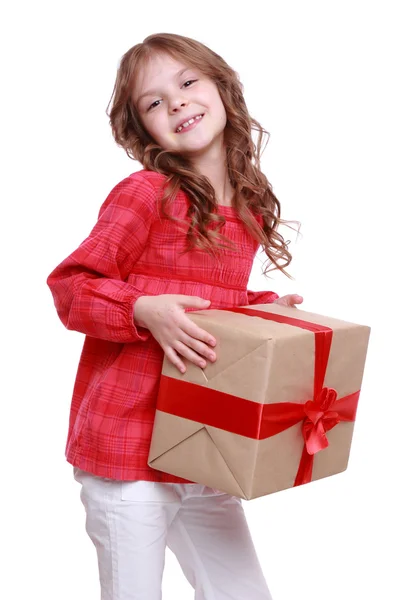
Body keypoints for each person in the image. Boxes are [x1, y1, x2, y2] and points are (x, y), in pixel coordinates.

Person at [46, 32, 303, 600]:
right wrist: (140, 309)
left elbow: (210, 301)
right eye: (154, 102)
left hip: (201, 447)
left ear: (222, 88)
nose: (177, 103)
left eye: (187, 84)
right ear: (143, 131)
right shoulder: (147, 193)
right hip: (128, 451)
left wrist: (264, 313)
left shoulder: (247, 206)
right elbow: (72, 287)